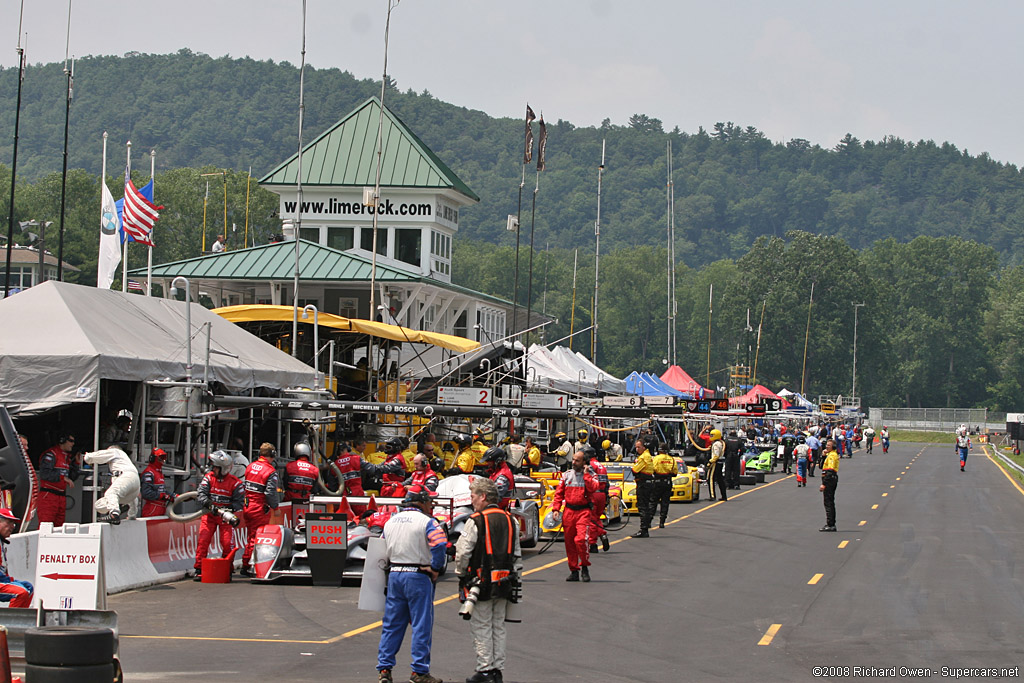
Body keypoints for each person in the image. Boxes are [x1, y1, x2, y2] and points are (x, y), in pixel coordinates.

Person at [376, 487, 447, 683]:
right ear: (421, 502)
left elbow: (380, 547)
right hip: (418, 575)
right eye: (429, 502)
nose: (431, 505)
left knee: (391, 625)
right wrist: (436, 567)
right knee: (421, 624)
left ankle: (384, 669)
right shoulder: (428, 522)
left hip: (395, 575)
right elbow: (440, 544)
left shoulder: (390, 522)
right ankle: (419, 671)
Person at [455, 477, 522, 683]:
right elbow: (517, 555)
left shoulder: (475, 520)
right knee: (498, 625)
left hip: (480, 582)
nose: (471, 500)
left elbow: (462, 552)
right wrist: (516, 581)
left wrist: (461, 574)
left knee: (482, 625)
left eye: (473, 496)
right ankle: (497, 670)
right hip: (505, 581)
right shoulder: (512, 520)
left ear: (483, 497)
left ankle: (485, 670)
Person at [194, 450, 244, 580]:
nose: (212, 469)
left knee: (228, 543)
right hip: (209, 515)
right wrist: (211, 506)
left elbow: (239, 504)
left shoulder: (236, 483)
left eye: (215, 467)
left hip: (225, 517)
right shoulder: (208, 477)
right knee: (203, 540)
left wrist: (226, 510)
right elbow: (201, 495)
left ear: (223, 468)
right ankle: (199, 568)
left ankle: (227, 568)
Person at [551, 450, 599, 581]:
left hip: (583, 512)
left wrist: (586, 474)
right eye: (573, 460)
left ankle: (584, 566)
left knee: (581, 540)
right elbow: (558, 494)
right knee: (570, 543)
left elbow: (593, 488)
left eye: (577, 460)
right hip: (568, 512)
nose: (574, 462)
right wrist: (556, 509)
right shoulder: (566, 475)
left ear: (584, 462)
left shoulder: (592, 475)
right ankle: (574, 570)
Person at [240, 443, 280, 578]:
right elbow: (270, 493)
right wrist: (275, 507)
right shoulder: (270, 471)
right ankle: (249, 565)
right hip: (259, 507)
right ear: (272, 455)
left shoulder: (250, 466)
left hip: (246, 505)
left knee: (250, 536)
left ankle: (246, 564)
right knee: (256, 538)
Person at [83, 447, 141, 524]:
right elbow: (133, 499)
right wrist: (132, 515)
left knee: (111, 493)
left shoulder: (115, 451)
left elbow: (95, 456)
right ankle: (122, 508)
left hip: (126, 475)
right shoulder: (125, 462)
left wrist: (87, 457)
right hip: (135, 483)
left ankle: (114, 514)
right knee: (98, 505)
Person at [37, 434, 81, 527]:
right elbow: (45, 474)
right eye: (71, 441)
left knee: (58, 529)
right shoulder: (51, 454)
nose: (73, 444)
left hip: (61, 497)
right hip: (48, 495)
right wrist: (62, 477)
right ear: (62, 440)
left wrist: (77, 463)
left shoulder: (67, 457)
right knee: (46, 527)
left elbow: (71, 478)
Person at [0, 508, 32, 607]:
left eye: (13, 524)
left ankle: (23, 620)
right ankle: (10, 622)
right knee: (21, 592)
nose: (12, 527)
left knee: (28, 587)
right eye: (8, 522)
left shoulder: (1, 542)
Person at [584, 447, 611, 552]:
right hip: (602, 494)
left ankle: (593, 543)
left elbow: (587, 481)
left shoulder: (589, 466)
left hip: (594, 493)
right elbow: (607, 483)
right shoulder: (601, 466)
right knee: (596, 518)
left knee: (591, 519)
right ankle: (601, 536)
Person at [630, 438, 656, 538]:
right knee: (647, 506)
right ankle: (646, 526)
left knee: (642, 506)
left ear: (644, 447)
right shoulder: (648, 456)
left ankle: (643, 529)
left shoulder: (643, 457)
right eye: (636, 447)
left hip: (643, 484)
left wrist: (635, 463)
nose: (637, 449)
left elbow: (634, 470)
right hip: (649, 483)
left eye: (639, 447)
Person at [140, 448, 175, 517]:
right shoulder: (149, 472)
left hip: (161, 508)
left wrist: (174, 496)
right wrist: (163, 496)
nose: (162, 460)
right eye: (160, 457)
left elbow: (162, 490)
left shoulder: (159, 472)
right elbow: (146, 493)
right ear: (153, 458)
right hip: (151, 509)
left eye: (164, 458)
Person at [652, 444, 678, 529]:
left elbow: (652, 469)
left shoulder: (656, 459)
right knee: (665, 503)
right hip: (667, 482)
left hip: (657, 482)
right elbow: (675, 473)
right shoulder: (672, 459)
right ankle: (662, 522)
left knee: (653, 502)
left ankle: (648, 521)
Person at [819, 439, 839, 532]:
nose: (826, 447)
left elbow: (830, 471)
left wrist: (824, 484)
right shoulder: (828, 455)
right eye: (826, 445)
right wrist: (823, 456)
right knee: (828, 501)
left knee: (828, 502)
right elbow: (820, 466)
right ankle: (830, 523)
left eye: (828, 445)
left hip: (830, 479)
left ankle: (830, 524)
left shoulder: (832, 456)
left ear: (833, 447)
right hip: (829, 478)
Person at [707, 429, 728, 502]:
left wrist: (710, 462)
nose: (710, 436)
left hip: (715, 462)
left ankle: (712, 495)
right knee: (720, 479)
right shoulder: (721, 443)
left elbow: (716, 455)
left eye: (712, 435)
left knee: (710, 479)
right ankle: (724, 496)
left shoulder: (716, 444)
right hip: (720, 462)